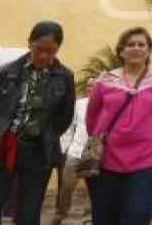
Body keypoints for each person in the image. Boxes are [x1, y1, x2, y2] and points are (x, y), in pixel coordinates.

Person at [0, 21, 75, 225]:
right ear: (29, 44)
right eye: (39, 49)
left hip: (39, 152)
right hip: (2, 148)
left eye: (51, 51)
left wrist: (46, 134)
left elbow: (65, 116)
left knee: (29, 212)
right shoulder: (6, 71)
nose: (44, 56)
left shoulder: (64, 76)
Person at [86, 26, 152, 224]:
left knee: (137, 215)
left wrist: (151, 144)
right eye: (130, 44)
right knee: (104, 217)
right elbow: (91, 118)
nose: (136, 48)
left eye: (141, 44)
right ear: (121, 50)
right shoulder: (105, 80)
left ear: (148, 51)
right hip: (107, 160)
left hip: (147, 161)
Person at [51, 78, 95, 225]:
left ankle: (89, 218)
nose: (91, 88)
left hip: (96, 153)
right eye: (89, 85)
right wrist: (65, 147)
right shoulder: (79, 104)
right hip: (76, 151)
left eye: (94, 85)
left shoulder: (107, 103)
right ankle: (60, 214)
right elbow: (69, 127)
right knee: (66, 186)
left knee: (93, 189)